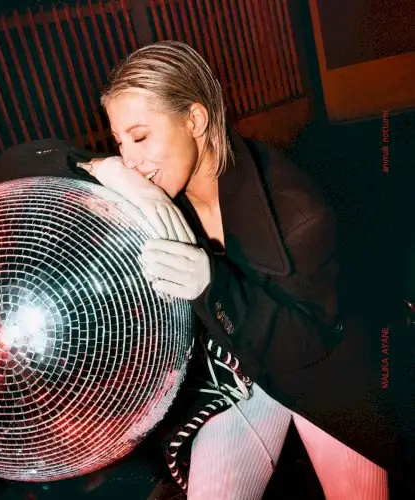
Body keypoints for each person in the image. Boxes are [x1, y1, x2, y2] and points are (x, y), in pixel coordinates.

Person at [71, 40, 415, 499]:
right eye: (119, 142)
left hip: (324, 379)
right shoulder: (154, 195)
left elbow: (306, 341)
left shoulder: (296, 208)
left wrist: (214, 286)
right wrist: (104, 169)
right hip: (240, 378)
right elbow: (22, 161)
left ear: (195, 120)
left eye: (139, 136)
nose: (130, 158)